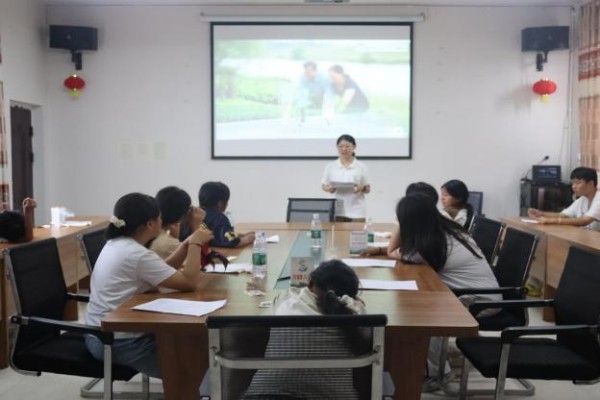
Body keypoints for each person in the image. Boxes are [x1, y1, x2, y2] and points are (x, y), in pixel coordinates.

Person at [85, 193, 213, 379]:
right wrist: (195, 243)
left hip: (100, 334)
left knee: (193, 342)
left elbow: (162, 270)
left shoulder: (118, 244)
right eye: (160, 217)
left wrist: (186, 244)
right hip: (117, 342)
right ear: (151, 224)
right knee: (199, 364)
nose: (162, 221)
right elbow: (190, 283)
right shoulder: (135, 254)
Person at [389, 194, 501, 391]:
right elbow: (401, 252)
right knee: (420, 302)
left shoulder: (431, 245)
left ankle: (437, 374)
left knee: (425, 312)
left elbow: (392, 251)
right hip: (477, 293)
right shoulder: (446, 232)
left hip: (481, 301)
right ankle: (424, 359)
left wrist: (399, 224)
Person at [242, 260, 367, 399]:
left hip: (263, 395)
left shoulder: (287, 301)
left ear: (310, 283)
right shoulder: (355, 315)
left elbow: (262, 320)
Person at [528, 166, 600, 230]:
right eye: (573, 183)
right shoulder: (582, 199)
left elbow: (584, 221)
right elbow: (563, 215)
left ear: (590, 183)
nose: (573, 187)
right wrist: (540, 214)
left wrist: (551, 220)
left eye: (578, 183)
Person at [321, 134, 370, 222]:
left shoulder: (361, 166)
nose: (344, 149)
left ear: (354, 147)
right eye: (341, 146)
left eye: (347, 146)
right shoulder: (330, 166)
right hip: (337, 209)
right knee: (337, 231)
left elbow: (368, 189)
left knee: (358, 231)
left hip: (357, 209)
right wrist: (329, 189)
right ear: (337, 147)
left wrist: (362, 187)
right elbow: (324, 185)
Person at [151, 186, 206, 259]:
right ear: (183, 215)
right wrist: (196, 226)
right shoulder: (170, 244)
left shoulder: (153, 234)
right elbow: (199, 259)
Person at [198, 181, 255, 248]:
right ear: (220, 204)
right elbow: (232, 242)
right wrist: (248, 239)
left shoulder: (195, 215)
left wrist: (236, 236)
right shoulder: (220, 218)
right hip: (218, 252)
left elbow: (219, 236)